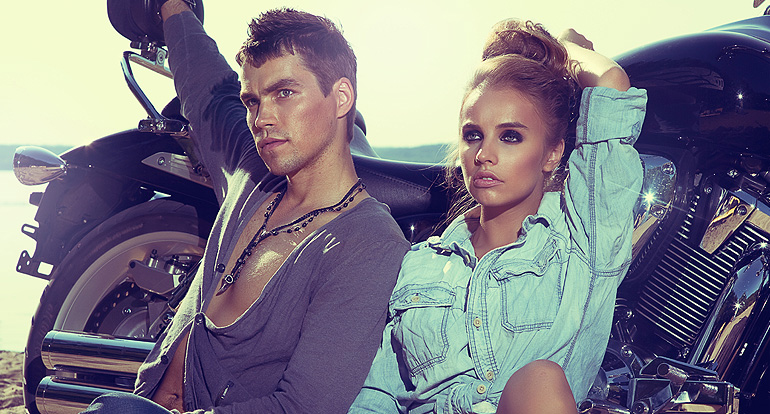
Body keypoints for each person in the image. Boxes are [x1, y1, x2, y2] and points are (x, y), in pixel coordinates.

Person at [83, 1, 409, 413]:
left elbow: (305, 408)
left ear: (341, 97)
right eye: (253, 101)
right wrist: (172, 7)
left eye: (284, 93)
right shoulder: (252, 176)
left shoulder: (368, 242)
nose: (262, 119)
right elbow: (204, 83)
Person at [348, 19, 646, 413]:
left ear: (553, 153)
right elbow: (378, 394)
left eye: (510, 136)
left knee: (539, 380)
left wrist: (564, 47)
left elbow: (611, 82)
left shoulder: (583, 240)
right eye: (473, 135)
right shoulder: (420, 265)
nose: (484, 154)